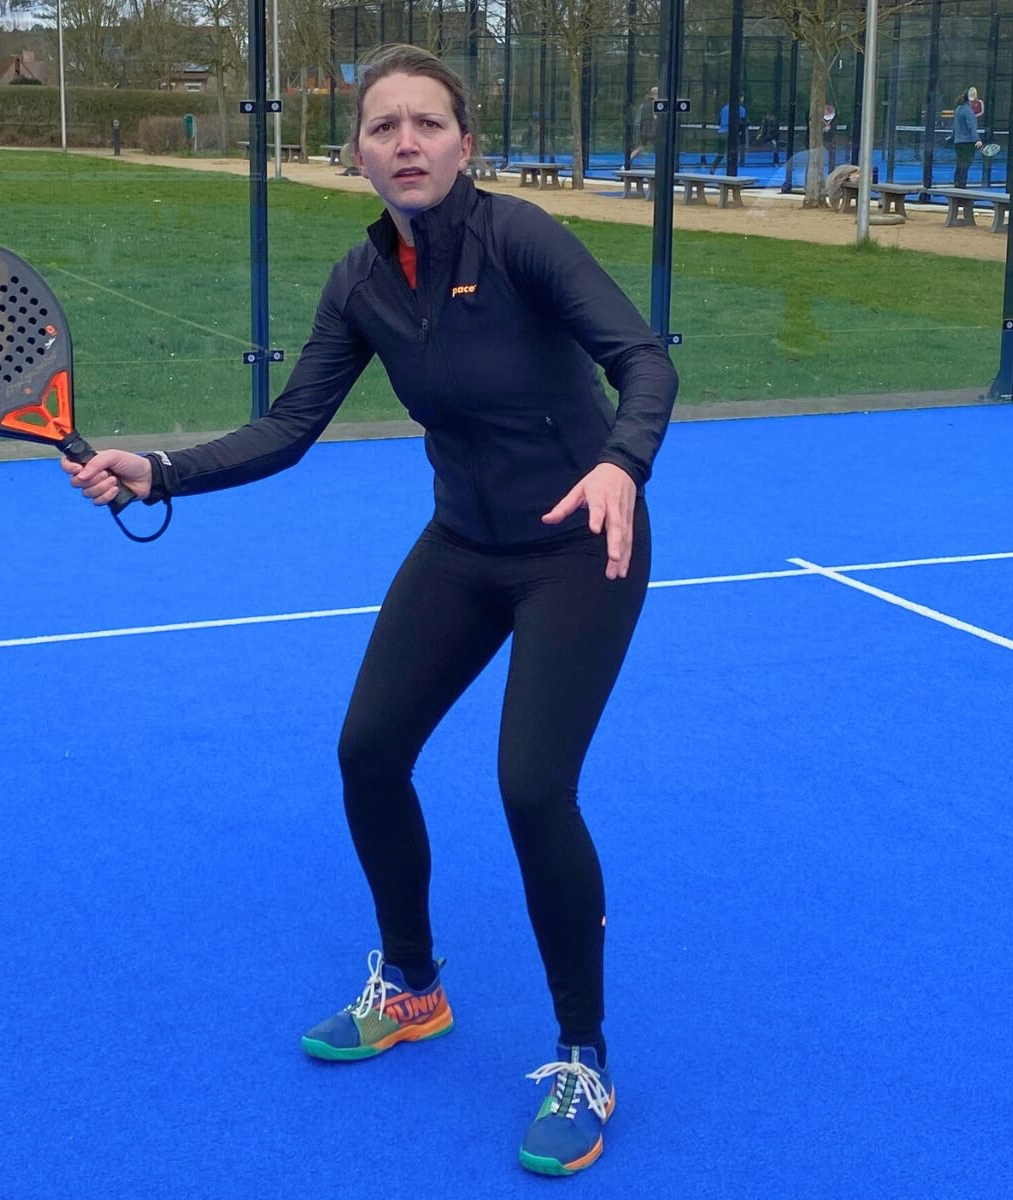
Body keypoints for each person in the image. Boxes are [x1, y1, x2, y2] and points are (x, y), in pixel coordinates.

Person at [64, 43, 678, 1178]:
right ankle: (413, 987)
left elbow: (643, 359)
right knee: (368, 751)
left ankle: (583, 1054)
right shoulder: (360, 282)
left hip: (584, 544)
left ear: (464, 142)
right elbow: (289, 426)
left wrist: (624, 465)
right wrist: (156, 468)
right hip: (463, 543)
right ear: (356, 153)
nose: (406, 142)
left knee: (534, 787)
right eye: (383, 126)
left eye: (427, 123)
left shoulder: (520, 239)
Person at [952, 90, 982, 187]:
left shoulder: (958, 109)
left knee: (960, 165)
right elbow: (972, 127)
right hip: (967, 143)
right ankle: (961, 187)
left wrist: (953, 137)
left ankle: (957, 185)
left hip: (958, 142)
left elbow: (955, 126)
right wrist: (977, 140)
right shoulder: (968, 111)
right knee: (965, 165)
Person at [710, 93, 746, 173]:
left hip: (721, 133)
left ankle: (713, 168)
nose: (743, 99)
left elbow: (719, 122)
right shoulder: (741, 109)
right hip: (732, 134)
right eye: (742, 98)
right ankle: (732, 172)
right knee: (733, 154)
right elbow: (741, 123)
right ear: (739, 98)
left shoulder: (724, 108)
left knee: (720, 154)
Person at [630, 85, 658, 160]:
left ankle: (627, 163)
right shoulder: (656, 105)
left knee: (640, 148)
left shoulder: (644, 104)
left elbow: (639, 118)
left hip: (642, 128)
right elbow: (655, 117)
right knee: (659, 148)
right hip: (651, 129)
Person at [822, 102, 838, 170]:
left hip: (830, 139)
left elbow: (833, 128)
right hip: (818, 140)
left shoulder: (834, 118)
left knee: (832, 154)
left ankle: (831, 170)